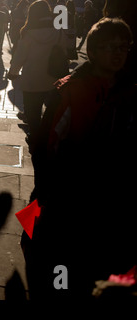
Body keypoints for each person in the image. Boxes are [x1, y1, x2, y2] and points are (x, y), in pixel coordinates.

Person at [27, 17, 137, 300]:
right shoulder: (72, 89)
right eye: (109, 47)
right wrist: (48, 181)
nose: (117, 54)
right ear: (93, 50)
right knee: (53, 242)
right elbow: (49, 140)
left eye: (123, 47)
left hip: (114, 186)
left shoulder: (130, 91)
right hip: (72, 181)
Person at [7, 0, 68, 147]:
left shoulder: (28, 33)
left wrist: (13, 72)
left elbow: (19, 57)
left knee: (33, 115)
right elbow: (65, 51)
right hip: (53, 80)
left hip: (31, 81)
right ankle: (47, 138)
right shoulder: (58, 30)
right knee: (51, 114)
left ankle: (35, 139)